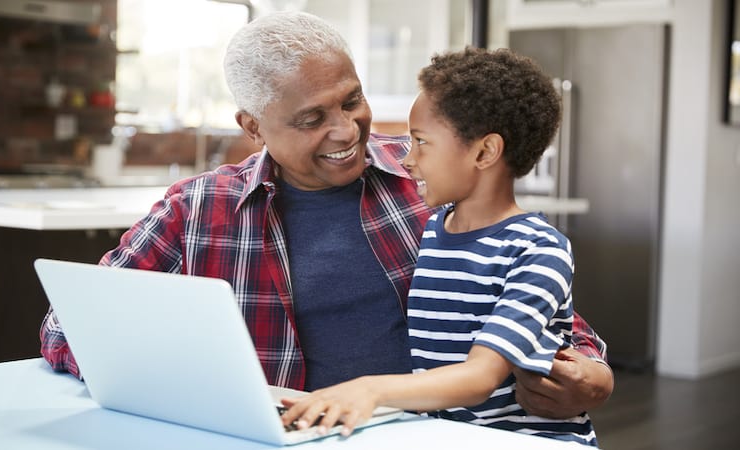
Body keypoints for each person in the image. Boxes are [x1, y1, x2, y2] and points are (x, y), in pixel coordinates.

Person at [40, 11, 612, 420]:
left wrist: (591, 374)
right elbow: (67, 327)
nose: (346, 130)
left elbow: (537, 306)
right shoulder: (197, 210)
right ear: (254, 127)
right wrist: (181, 376)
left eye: (351, 100)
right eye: (312, 119)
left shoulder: (429, 182)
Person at [278, 47, 599, 445]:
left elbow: (480, 378)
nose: (408, 160)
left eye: (421, 142)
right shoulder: (434, 230)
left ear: (484, 152)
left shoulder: (539, 250)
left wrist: (369, 389)